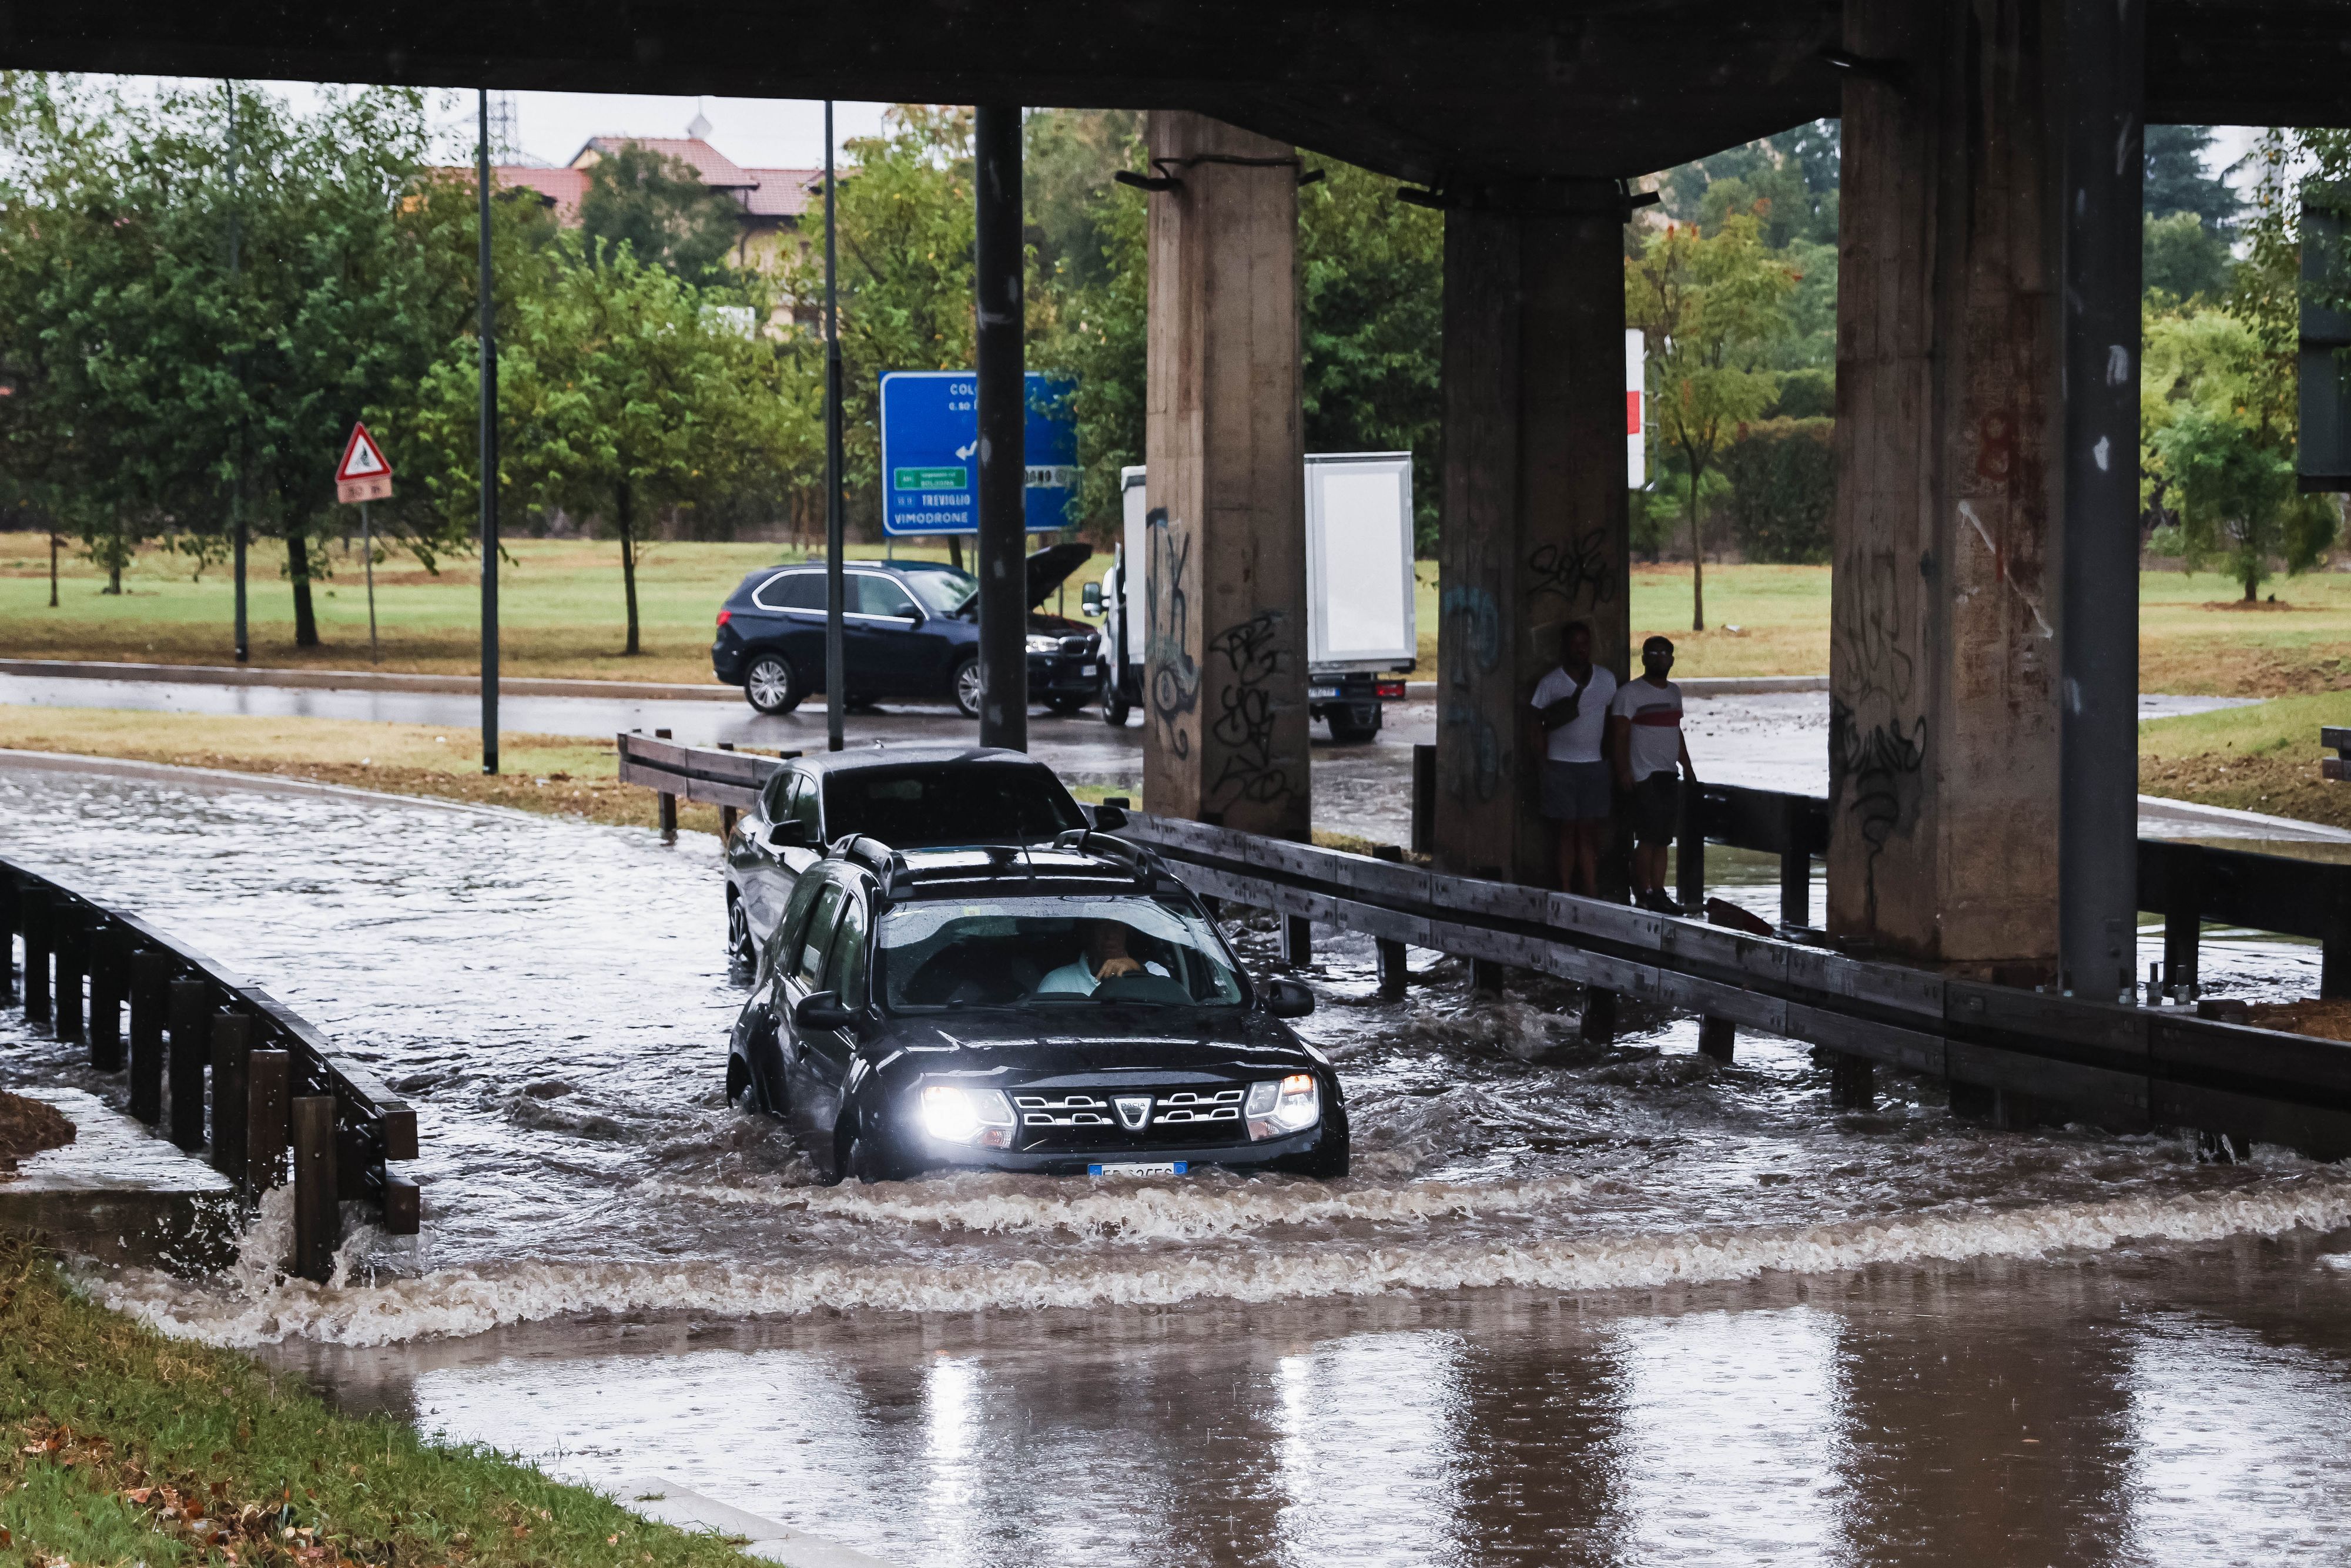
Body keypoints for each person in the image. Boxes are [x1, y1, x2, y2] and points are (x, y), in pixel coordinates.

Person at [1607, 635, 1697, 915]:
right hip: (1643, 776)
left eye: (1664, 653)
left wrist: (1688, 767)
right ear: (1644, 658)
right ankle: (1643, 892)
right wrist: (1623, 771)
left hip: (1668, 774)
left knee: (1664, 839)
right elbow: (1619, 735)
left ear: (1672, 659)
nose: (1659, 658)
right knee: (1647, 837)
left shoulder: (1674, 693)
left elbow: (1675, 732)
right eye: (1653, 653)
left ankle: (1659, 892)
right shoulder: (1629, 694)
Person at [1528, 621, 1617, 896]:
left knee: (1588, 831)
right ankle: (1566, 889)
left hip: (1594, 765)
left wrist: (1611, 759)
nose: (1582, 649)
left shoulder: (1606, 679)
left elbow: (1615, 721)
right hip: (1560, 766)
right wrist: (1543, 763)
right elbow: (1533, 724)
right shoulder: (1551, 682)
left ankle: (1590, 890)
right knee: (1566, 831)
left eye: (1585, 643)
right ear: (1565, 647)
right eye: (1576, 644)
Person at [1037, 919, 1144, 995]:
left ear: (1126, 931)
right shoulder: (1058, 984)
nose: (1110, 935)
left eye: (1116, 926)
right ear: (1087, 933)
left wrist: (1139, 971)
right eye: (1102, 926)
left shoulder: (1154, 971)